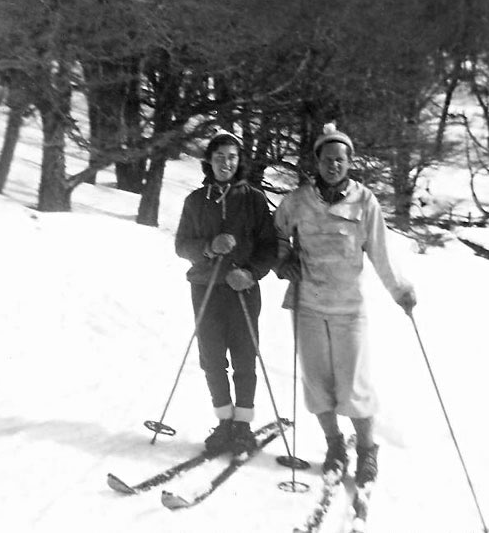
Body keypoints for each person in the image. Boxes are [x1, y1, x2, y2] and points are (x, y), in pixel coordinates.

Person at [274, 123, 416, 486]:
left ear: (350, 161)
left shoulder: (365, 201)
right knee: (317, 384)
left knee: (354, 386)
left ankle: (367, 450)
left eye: (340, 159)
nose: (333, 165)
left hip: (348, 309)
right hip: (308, 305)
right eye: (327, 159)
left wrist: (400, 291)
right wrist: (283, 257)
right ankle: (334, 446)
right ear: (317, 162)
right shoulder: (298, 200)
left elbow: (381, 253)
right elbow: (276, 232)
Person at [175, 131, 277, 455]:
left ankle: (243, 426)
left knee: (245, 358)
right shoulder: (195, 200)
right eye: (219, 157)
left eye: (232, 157)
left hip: (242, 290)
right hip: (206, 287)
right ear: (209, 162)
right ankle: (223, 422)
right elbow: (181, 245)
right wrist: (208, 247)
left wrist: (250, 273)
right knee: (212, 359)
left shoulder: (254, 199)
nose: (226, 163)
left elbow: (269, 247)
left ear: (239, 161)